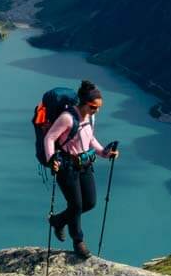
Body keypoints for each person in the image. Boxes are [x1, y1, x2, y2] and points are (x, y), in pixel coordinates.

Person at [46, 79, 118, 260]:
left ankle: (58, 220)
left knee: (90, 203)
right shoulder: (67, 118)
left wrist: (104, 152)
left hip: (85, 164)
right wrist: (51, 159)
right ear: (84, 103)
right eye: (94, 107)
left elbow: (90, 138)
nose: (97, 111)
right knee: (76, 205)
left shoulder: (90, 117)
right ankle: (78, 241)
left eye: (98, 107)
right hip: (67, 167)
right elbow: (49, 138)